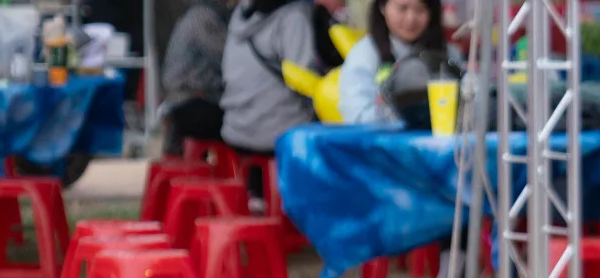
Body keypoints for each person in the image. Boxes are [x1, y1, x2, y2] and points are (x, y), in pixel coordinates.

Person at [220, 0, 347, 172]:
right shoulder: (295, 15)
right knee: (342, 133)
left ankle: (259, 192)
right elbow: (305, 80)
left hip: (235, 128)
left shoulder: (242, 13)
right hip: (278, 133)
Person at [338, 0, 444, 124]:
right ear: (382, 7)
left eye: (420, 10)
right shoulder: (364, 54)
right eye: (402, 8)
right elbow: (357, 116)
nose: (411, 18)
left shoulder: (447, 53)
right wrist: (398, 112)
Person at [160, 0, 234, 154]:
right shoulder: (203, 18)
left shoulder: (200, 14)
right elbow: (229, 59)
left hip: (188, 102)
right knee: (246, 123)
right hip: (189, 103)